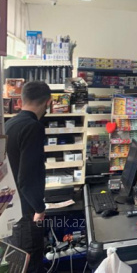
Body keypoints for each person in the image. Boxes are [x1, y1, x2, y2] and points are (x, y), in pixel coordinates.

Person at [6, 81, 52, 273]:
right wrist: (39, 208)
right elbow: (26, 178)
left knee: (15, 265)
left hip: (10, 210)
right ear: (48, 102)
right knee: (31, 265)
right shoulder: (33, 127)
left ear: (21, 100)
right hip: (26, 213)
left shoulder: (10, 124)